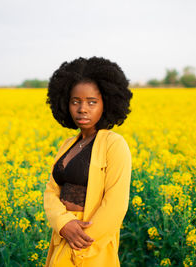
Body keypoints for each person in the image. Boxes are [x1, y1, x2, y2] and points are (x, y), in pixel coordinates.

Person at [44, 56, 133, 266]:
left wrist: (81, 243)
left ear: (107, 103)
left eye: (92, 102)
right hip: (63, 237)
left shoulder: (114, 144)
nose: (82, 109)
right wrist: (63, 224)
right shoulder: (68, 144)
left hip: (92, 247)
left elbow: (115, 205)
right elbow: (51, 191)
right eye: (76, 101)